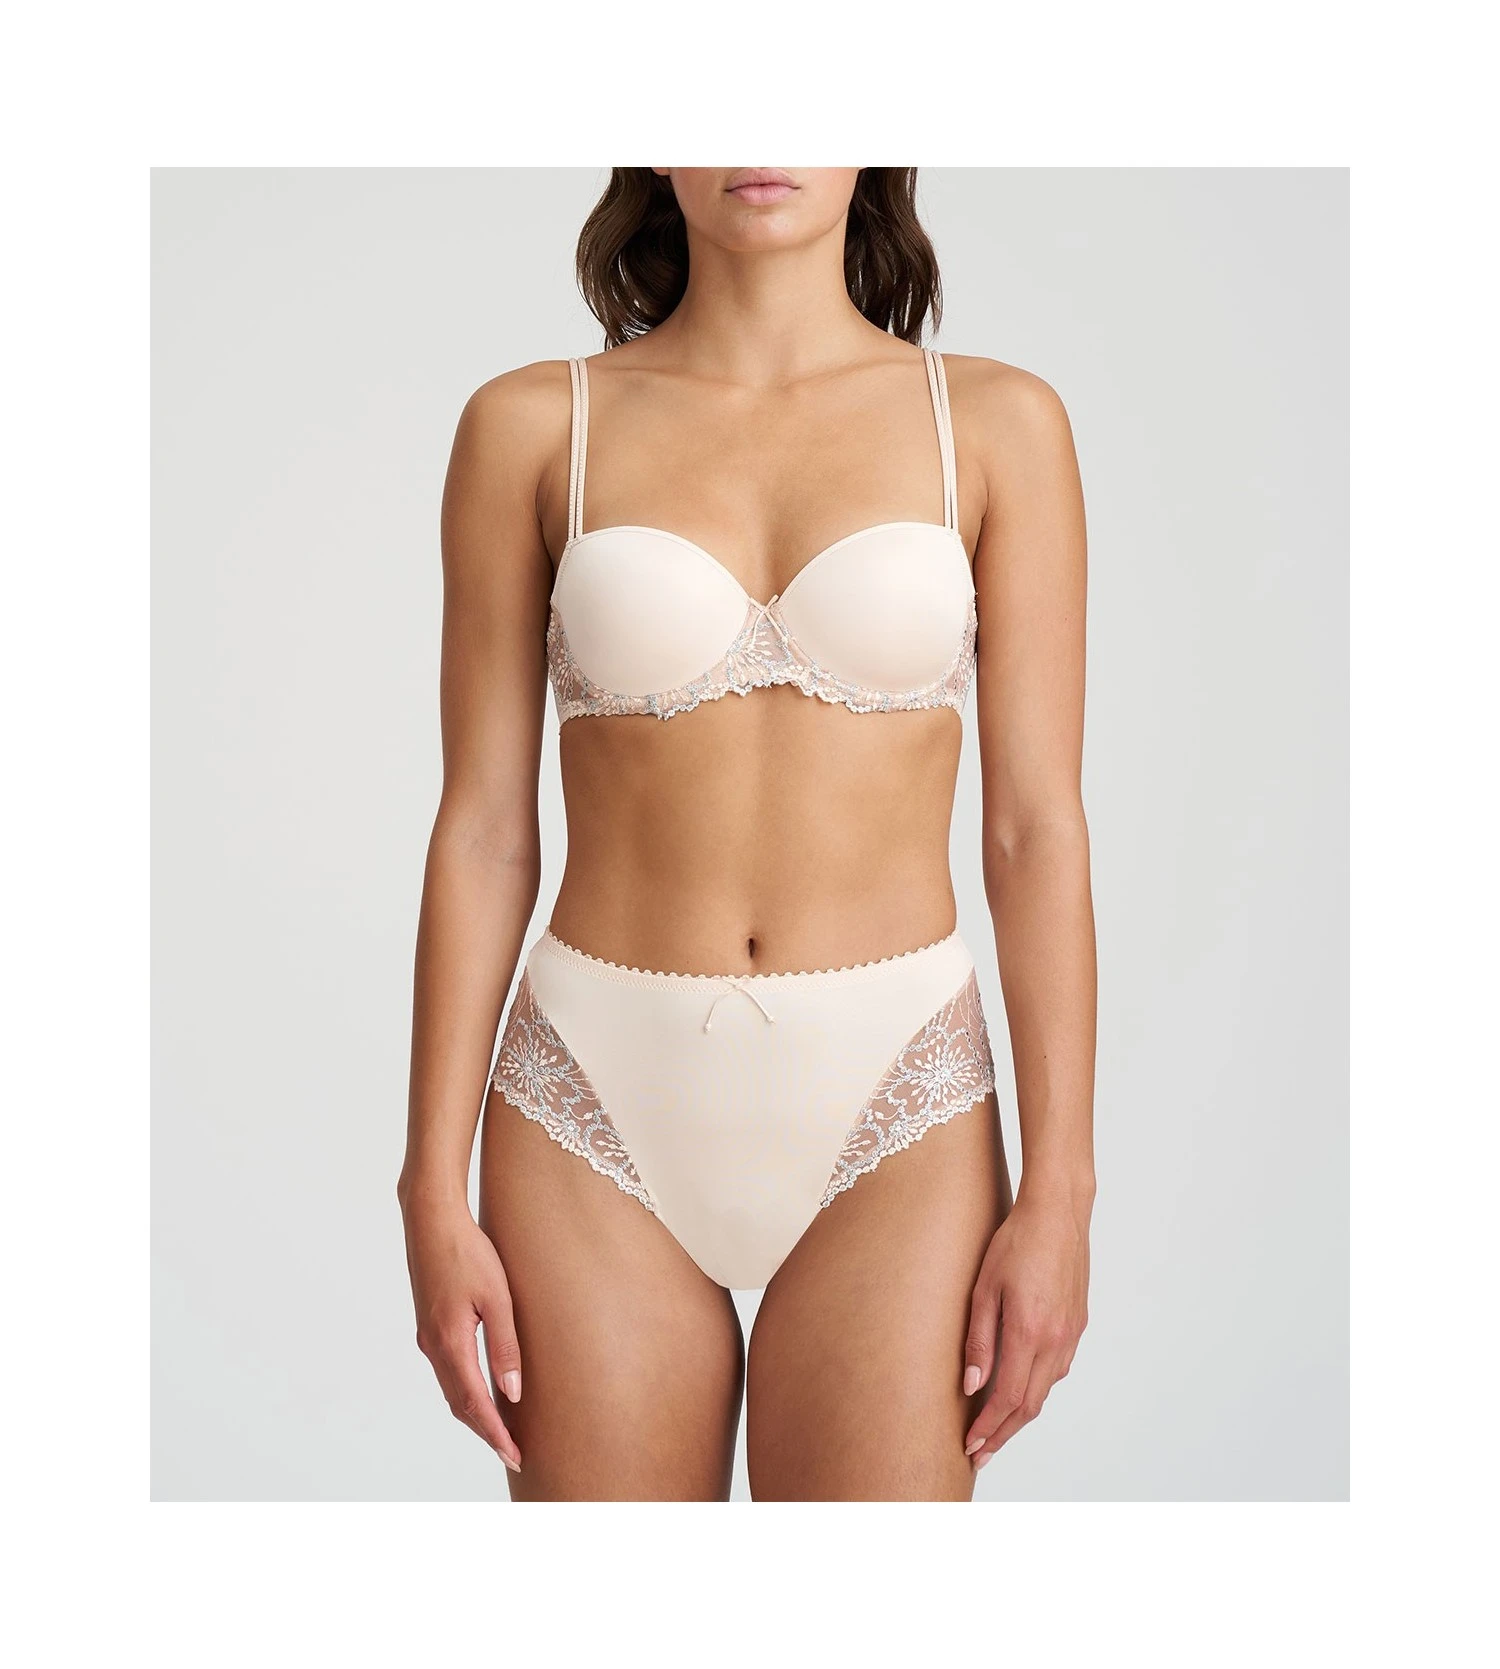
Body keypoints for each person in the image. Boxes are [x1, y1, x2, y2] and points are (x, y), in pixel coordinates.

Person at [397, 167, 1096, 1501]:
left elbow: (1035, 832)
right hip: (590, 1097)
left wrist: (1062, 1189)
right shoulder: (533, 425)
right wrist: (429, 1185)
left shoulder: (997, 423)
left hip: (898, 1101)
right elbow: (482, 827)